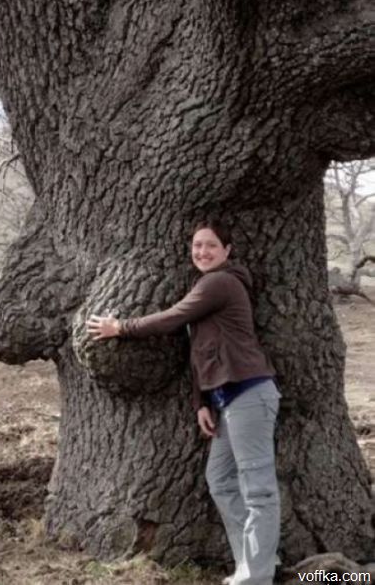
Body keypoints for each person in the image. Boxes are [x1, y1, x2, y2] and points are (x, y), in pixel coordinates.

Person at [86, 221, 281, 585]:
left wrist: (121, 328)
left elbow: (173, 318)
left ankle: (257, 576)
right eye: (196, 246)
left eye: (210, 245)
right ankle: (255, 561)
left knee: (258, 489)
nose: (202, 252)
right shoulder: (206, 285)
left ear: (227, 250)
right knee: (220, 479)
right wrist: (201, 403)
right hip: (226, 400)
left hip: (250, 393)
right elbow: (198, 352)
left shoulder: (220, 282)